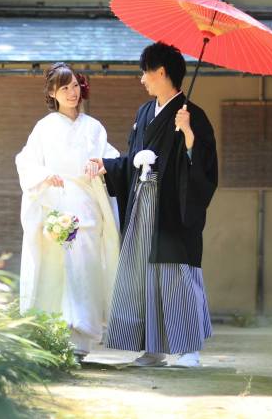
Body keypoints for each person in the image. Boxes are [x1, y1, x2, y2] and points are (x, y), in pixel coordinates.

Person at [89, 41, 217, 368]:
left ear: (161, 72)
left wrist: (188, 135)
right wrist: (109, 165)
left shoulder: (192, 115)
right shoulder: (144, 112)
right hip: (141, 204)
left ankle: (189, 350)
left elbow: (202, 167)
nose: (142, 79)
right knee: (141, 274)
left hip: (172, 208)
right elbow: (133, 159)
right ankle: (153, 348)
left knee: (176, 275)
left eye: (145, 72)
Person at [15, 62, 121, 360]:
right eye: (64, 88)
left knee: (85, 270)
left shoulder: (93, 127)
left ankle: (81, 341)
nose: (72, 92)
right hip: (57, 205)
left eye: (75, 85)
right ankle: (56, 336)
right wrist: (43, 176)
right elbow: (26, 161)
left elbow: (110, 158)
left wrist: (102, 164)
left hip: (88, 207)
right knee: (58, 270)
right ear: (52, 92)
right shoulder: (44, 128)